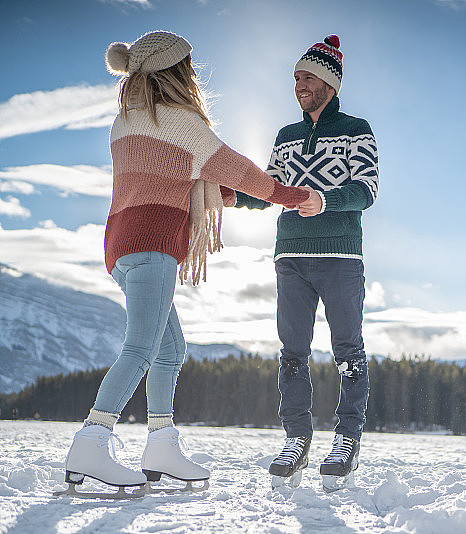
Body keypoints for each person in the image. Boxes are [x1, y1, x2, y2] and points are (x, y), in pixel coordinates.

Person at [59, 31, 309, 497]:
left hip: (121, 245)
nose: (193, 73)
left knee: (169, 349)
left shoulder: (126, 122)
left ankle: (161, 446)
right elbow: (237, 169)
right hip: (154, 244)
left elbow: (177, 178)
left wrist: (233, 197)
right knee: (140, 349)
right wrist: (291, 197)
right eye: (188, 66)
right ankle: (91, 442)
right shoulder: (180, 123)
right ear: (174, 72)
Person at [234, 35, 379, 490]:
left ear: (329, 83)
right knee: (292, 352)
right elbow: (267, 191)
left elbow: (367, 190)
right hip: (290, 257)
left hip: (339, 255)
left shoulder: (357, 129)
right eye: (296, 77)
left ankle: (347, 439)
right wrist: (227, 194)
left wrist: (326, 199)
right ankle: (297, 437)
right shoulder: (285, 137)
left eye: (307, 77)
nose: (299, 84)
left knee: (347, 351)